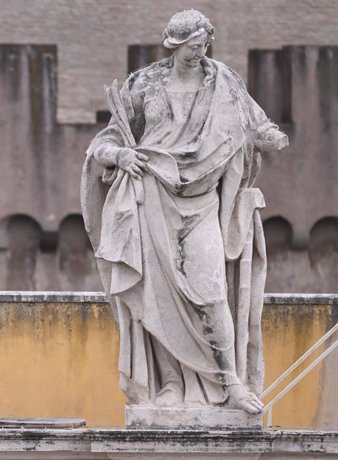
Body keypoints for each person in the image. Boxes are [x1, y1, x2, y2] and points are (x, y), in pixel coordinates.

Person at [81, 9, 288, 414]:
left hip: (202, 200)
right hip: (149, 197)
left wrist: (271, 138)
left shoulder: (224, 81)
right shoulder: (145, 84)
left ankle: (230, 383)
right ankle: (170, 385)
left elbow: (255, 123)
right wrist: (120, 154)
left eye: (204, 43)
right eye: (192, 44)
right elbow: (103, 143)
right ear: (174, 45)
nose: (200, 50)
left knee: (211, 293)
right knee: (155, 299)